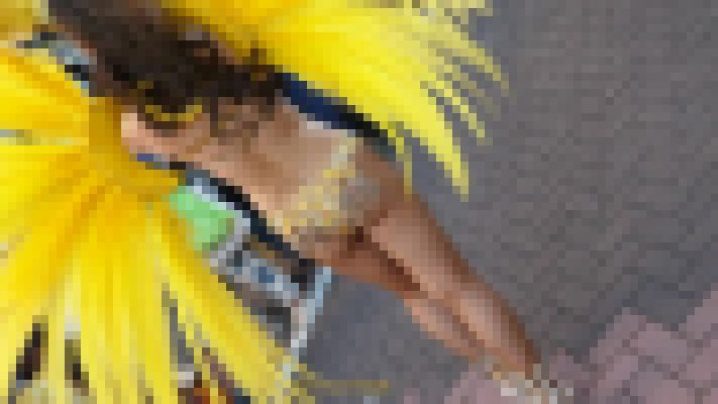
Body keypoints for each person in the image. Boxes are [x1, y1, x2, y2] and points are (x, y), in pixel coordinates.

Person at [11, 0, 563, 400]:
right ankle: (538, 388)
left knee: (415, 293)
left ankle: (502, 375)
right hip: (340, 167)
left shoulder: (133, 129)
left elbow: (151, 184)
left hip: (298, 220)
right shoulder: (212, 39)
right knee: (456, 286)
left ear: (86, 46)